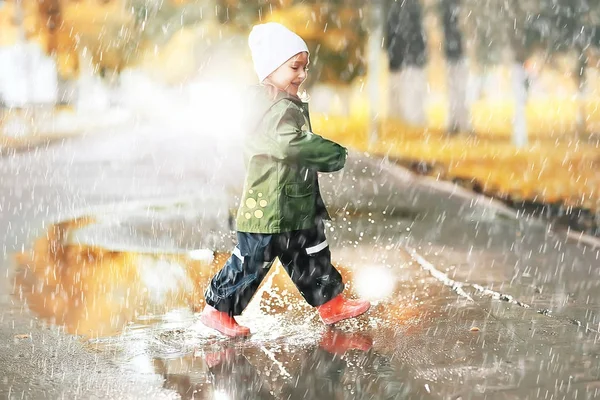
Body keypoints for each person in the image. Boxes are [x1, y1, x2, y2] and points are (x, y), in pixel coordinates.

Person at [199, 22, 370, 337]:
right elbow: (289, 144)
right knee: (252, 260)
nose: (301, 74)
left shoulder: (281, 103)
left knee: (312, 253)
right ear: (270, 70)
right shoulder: (275, 109)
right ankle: (218, 309)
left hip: (291, 203)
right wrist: (331, 153)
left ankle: (330, 303)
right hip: (271, 207)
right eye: (294, 66)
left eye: (304, 67)